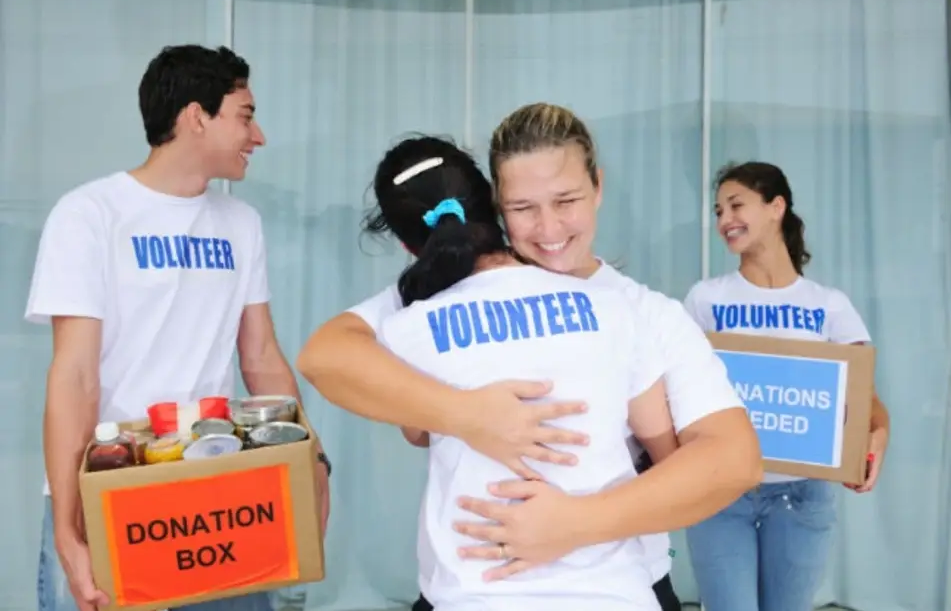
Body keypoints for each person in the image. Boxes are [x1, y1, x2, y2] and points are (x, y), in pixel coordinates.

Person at [297, 102, 762, 609]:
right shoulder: (440, 290)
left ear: (598, 187)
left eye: (567, 200)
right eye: (523, 208)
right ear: (496, 207)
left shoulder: (642, 310)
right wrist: (471, 416)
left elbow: (732, 459)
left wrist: (576, 524)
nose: (549, 228)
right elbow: (327, 355)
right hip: (475, 590)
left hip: (617, 582)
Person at [25, 44, 330, 611]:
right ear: (196, 116)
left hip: (221, 491)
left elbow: (260, 356)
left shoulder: (240, 223)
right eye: (245, 114)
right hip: (112, 488)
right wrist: (69, 527)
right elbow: (74, 377)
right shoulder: (90, 214)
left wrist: (312, 457)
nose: (257, 135)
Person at [364, 134, 686, 610]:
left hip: (474, 593)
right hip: (611, 593)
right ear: (493, 207)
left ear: (409, 245)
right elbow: (667, 453)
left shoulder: (407, 329)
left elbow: (419, 432)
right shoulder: (615, 307)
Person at [682, 161, 890, 611]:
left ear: (776, 207)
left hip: (802, 495)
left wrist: (876, 437)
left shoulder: (829, 306)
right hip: (721, 488)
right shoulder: (705, 299)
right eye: (718, 211)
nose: (724, 221)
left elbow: (865, 398)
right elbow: (679, 391)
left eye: (736, 205)